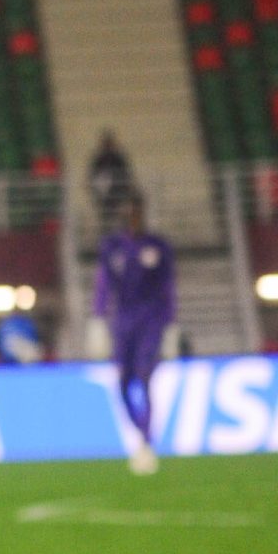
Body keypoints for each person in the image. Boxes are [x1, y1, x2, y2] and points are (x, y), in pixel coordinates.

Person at [93, 194, 175, 474]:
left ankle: (145, 441)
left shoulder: (158, 247)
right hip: (123, 321)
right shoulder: (112, 247)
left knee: (145, 376)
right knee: (123, 382)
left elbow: (167, 286)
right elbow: (104, 284)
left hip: (150, 320)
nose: (133, 217)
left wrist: (170, 323)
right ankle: (141, 430)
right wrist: (98, 317)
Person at [87, 129, 133, 220]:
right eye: (106, 143)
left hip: (117, 192)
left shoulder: (118, 157)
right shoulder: (99, 158)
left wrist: (125, 189)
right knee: (106, 217)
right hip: (104, 195)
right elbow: (93, 175)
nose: (108, 146)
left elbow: (125, 173)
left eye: (109, 143)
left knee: (120, 216)